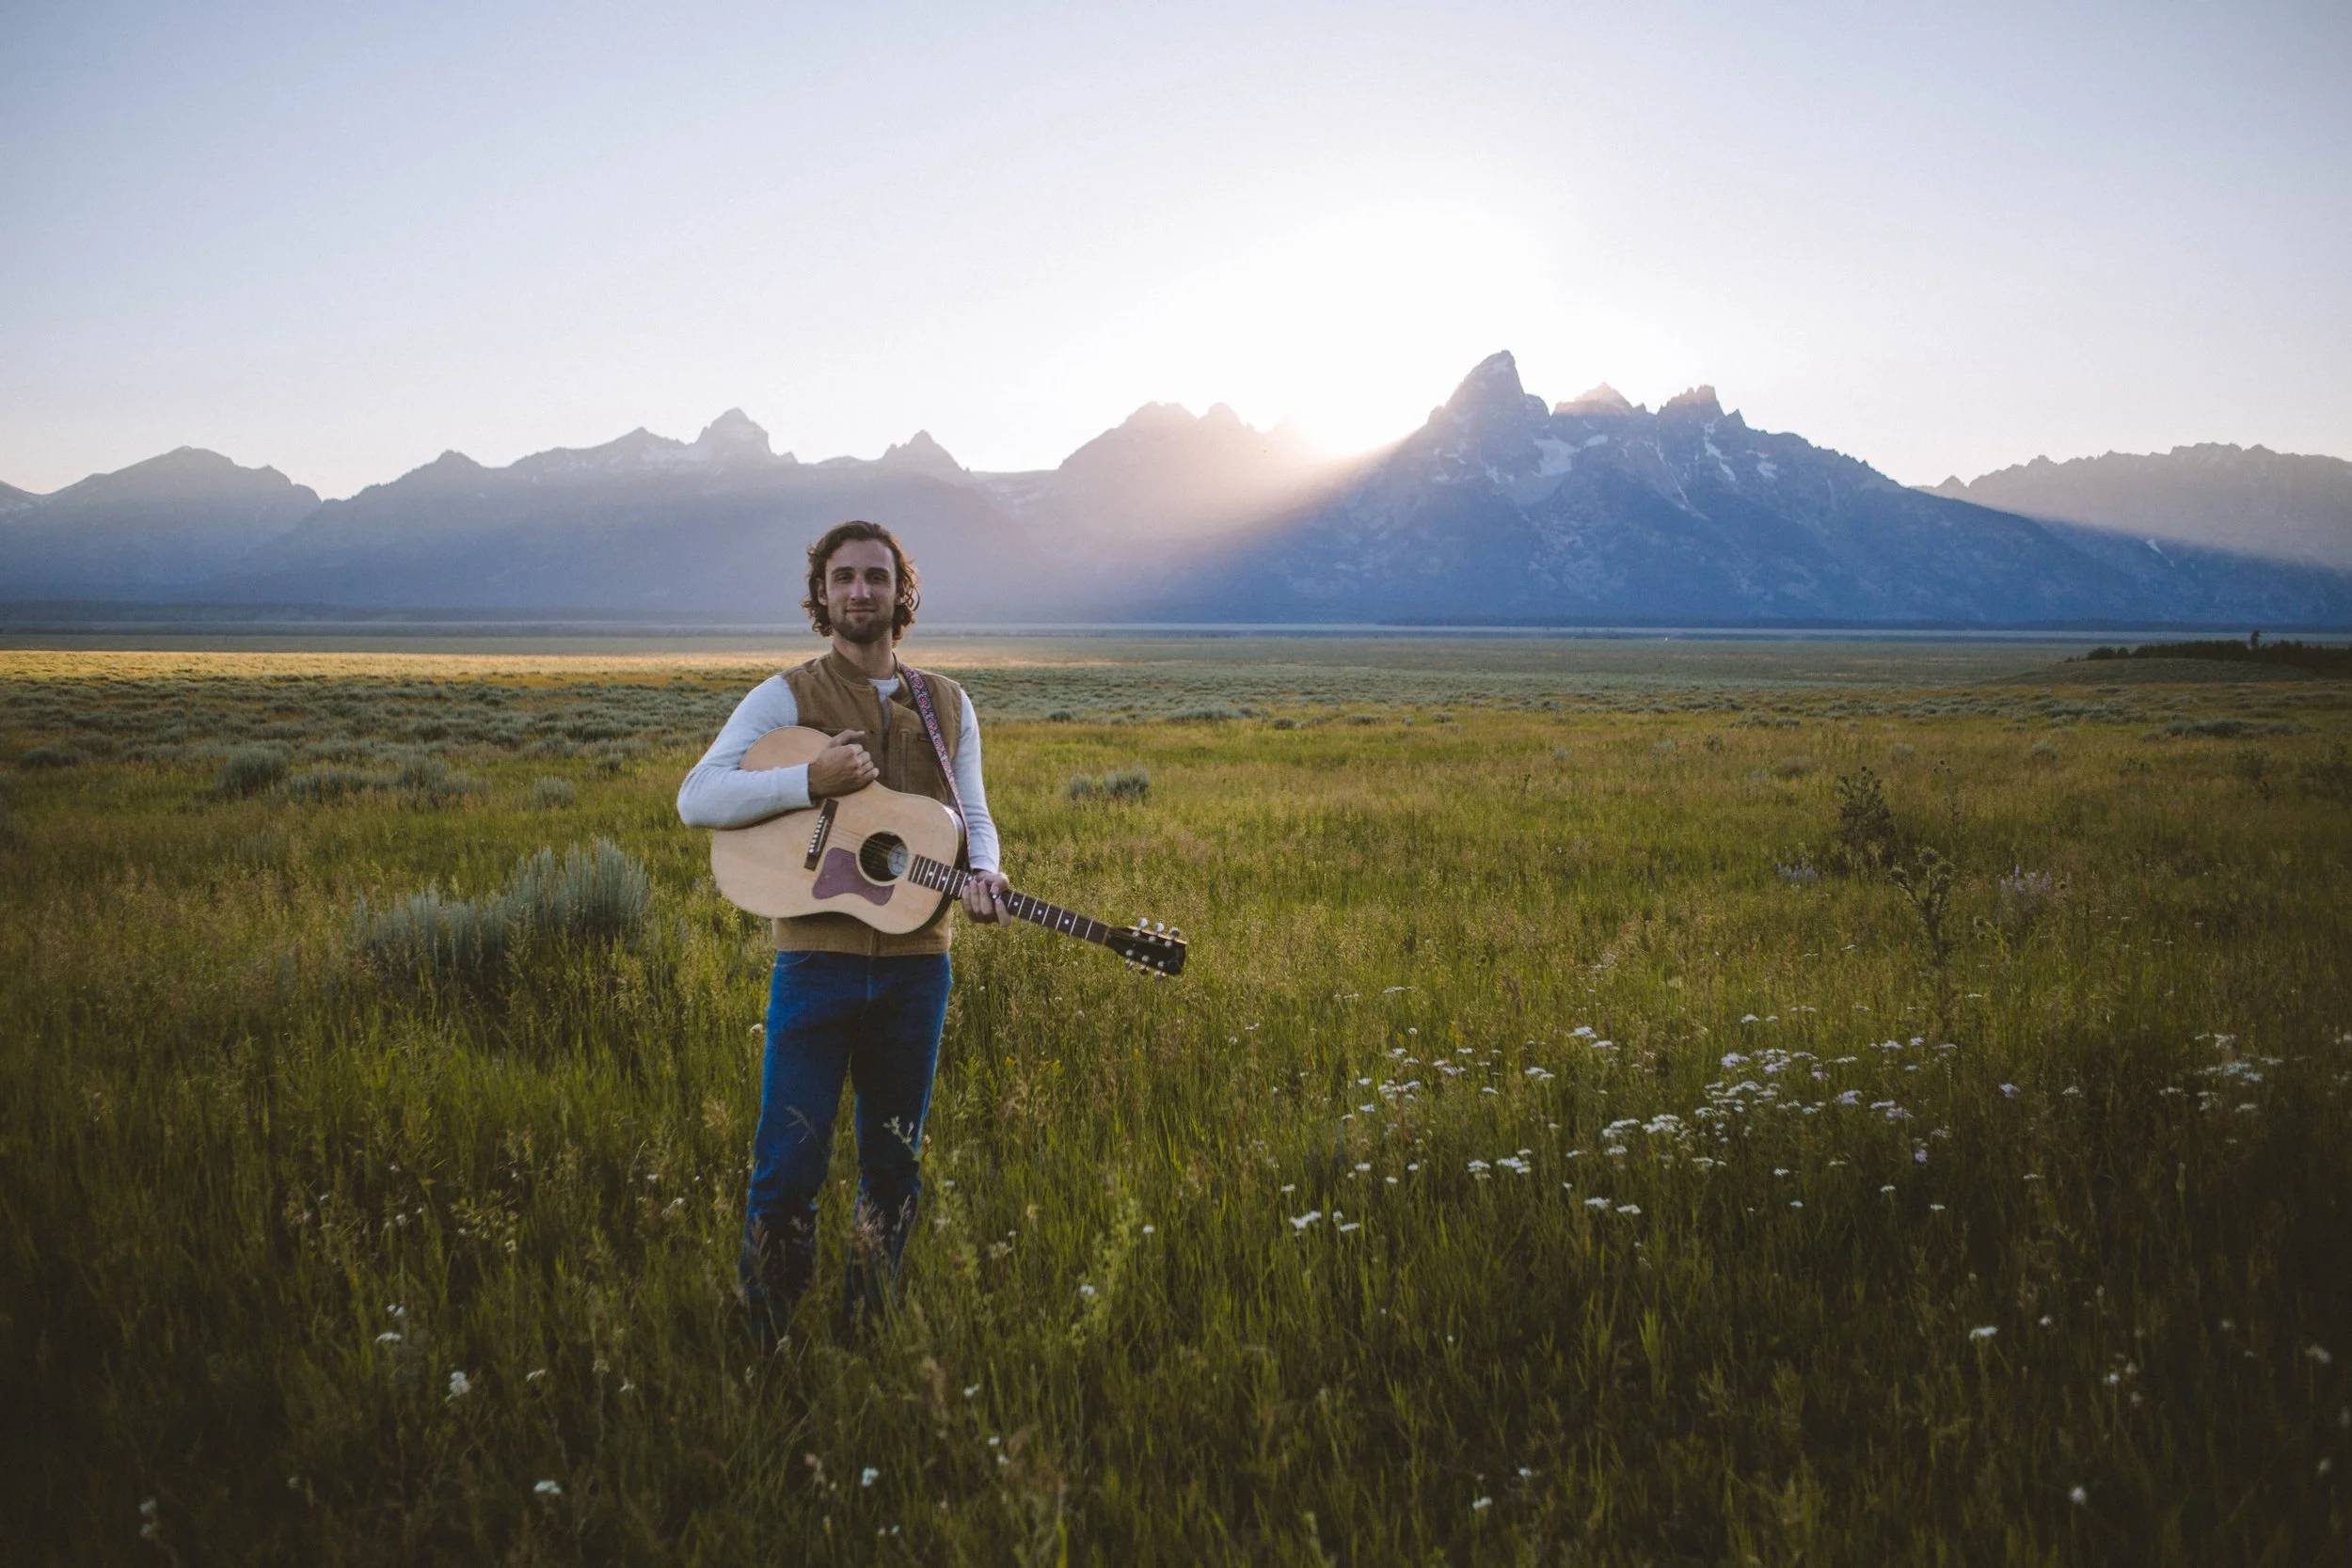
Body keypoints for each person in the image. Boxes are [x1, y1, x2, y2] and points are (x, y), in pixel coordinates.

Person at [676, 519, 1009, 1345]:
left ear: (904, 595)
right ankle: (767, 1336)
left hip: (917, 968)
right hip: (815, 964)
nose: (861, 592)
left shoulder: (948, 705)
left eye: (876, 578)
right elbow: (697, 797)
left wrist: (987, 871)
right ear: (821, 597)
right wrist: (808, 778)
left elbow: (972, 815)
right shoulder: (786, 697)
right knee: (788, 1167)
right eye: (843, 579)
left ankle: (870, 1332)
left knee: (893, 1167)